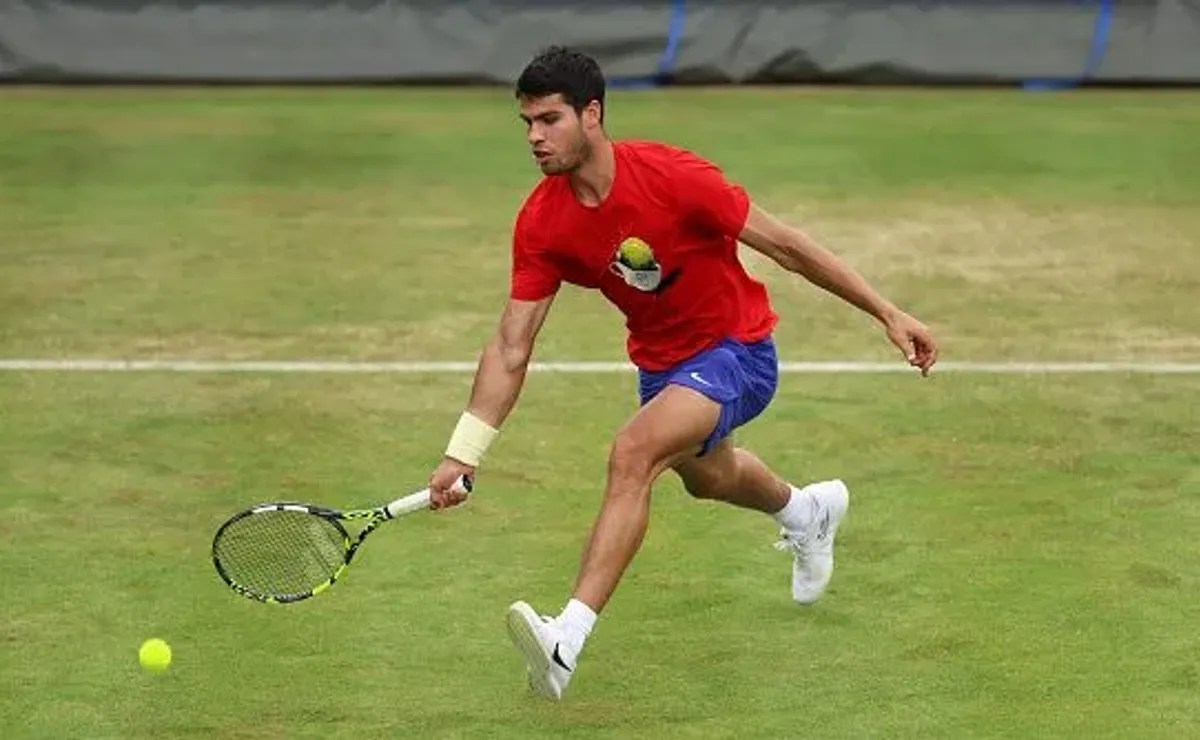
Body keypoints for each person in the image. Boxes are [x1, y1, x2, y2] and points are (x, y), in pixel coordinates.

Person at [426, 45, 938, 701]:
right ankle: (806, 512)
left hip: (739, 351)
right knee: (707, 477)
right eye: (526, 122)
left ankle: (566, 640)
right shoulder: (542, 222)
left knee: (634, 451)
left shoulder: (672, 176)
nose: (534, 137)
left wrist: (887, 313)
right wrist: (463, 452)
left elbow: (785, 245)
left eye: (549, 120)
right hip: (663, 366)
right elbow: (510, 346)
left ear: (592, 114)